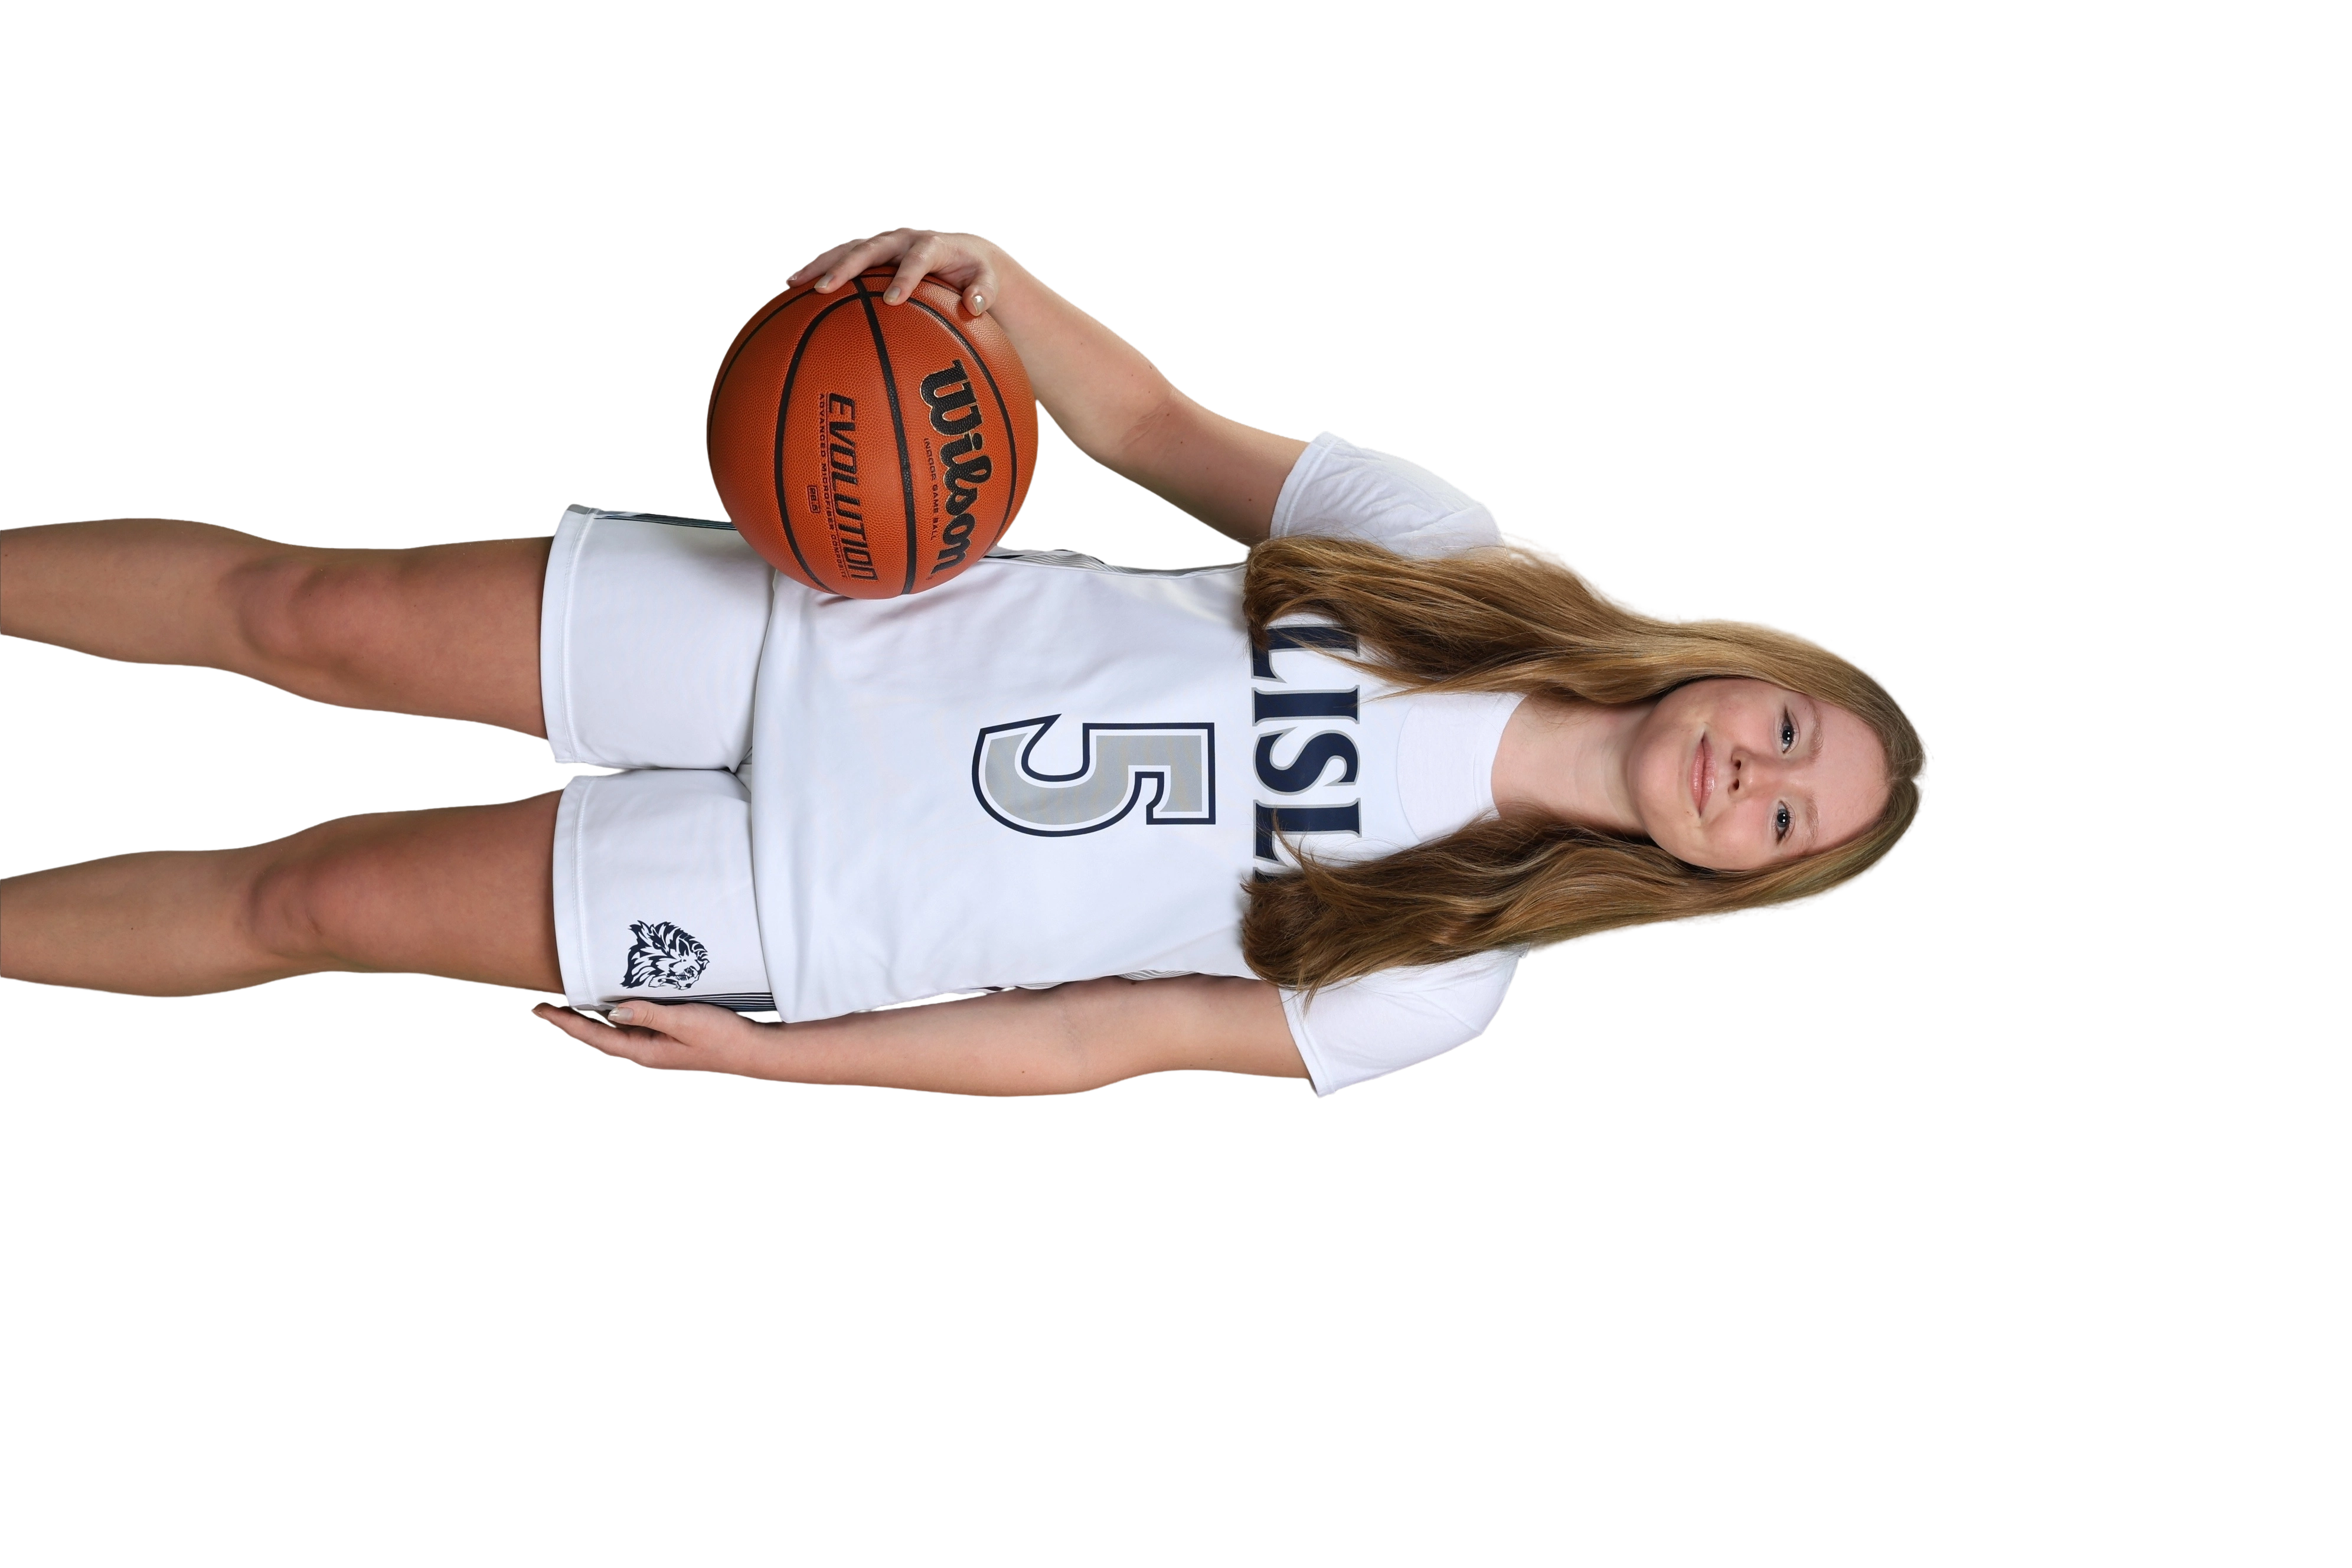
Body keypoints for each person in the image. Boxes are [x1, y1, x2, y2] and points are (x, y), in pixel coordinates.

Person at [0, 227, 1932, 1099]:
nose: (1749, 775)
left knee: (316, 901)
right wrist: (999, 286)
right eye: (1788, 731)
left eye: (1784, 820)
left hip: (805, 902)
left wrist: (790, 1050)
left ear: (1730, 878)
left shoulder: (1436, 983)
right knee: (313, 618)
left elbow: (1091, 1039)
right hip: (824, 626)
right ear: (1739, 665)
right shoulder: (1453, 563)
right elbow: (1159, 433)